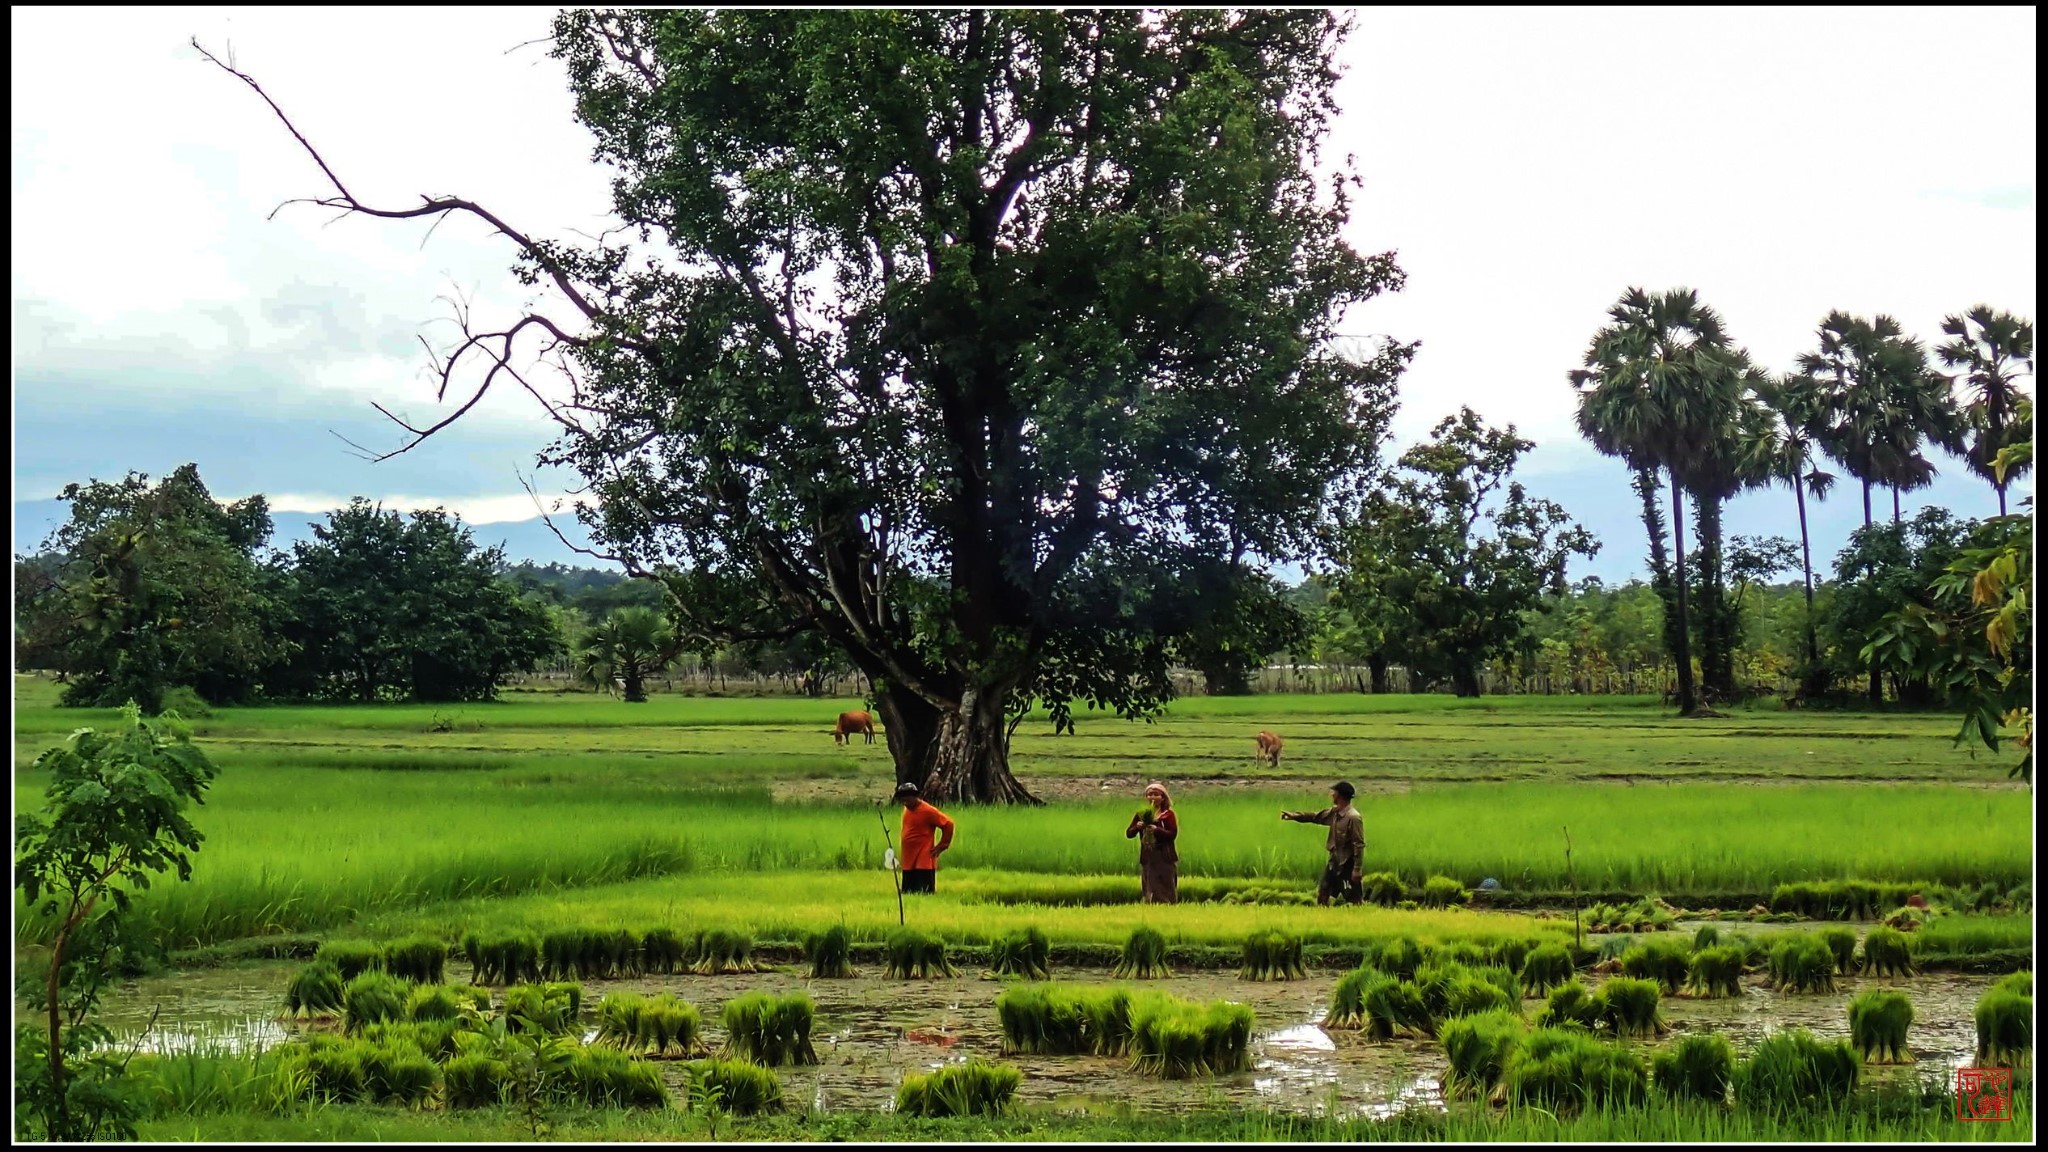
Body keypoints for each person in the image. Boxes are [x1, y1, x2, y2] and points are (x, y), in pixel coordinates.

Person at [1281, 781, 1365, 906]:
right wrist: (1295, 816)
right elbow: (1316, 817)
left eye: (1334, 792)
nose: (1331, 795)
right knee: (1323, 892)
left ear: (1340, 796)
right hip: (1334, 862)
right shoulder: (1335, 813)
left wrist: (1357, 869)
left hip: (1347, 864)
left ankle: (1360, 917)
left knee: (1353, 898)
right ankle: (1322, 915)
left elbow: (1358, 844)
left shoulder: (1353, 818)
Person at [895, 781, 954, 895]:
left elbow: (948, 824)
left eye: (907, 799)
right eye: (903, 800)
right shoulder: (907, 809)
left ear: (915, 796)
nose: (905, 802)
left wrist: (943, 845)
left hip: (923, 857)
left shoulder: (928, 810)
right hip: (908, 857)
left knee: (924, 891)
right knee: (908, 892)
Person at [1125, 782, 1179, 905]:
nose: (1152, 798)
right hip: (1148, 856)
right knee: (1150, 885)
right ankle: (1151, 908)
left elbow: (1172, 834)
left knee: (1166, 885)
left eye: (1156, 795)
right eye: (1149, 795)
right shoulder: (1142, 814)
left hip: (1164, 856)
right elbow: (1129, 833)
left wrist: (1156, 829)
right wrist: (1137, 827)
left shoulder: (1168, 815)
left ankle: (1168, 908)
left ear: (1163, 797)